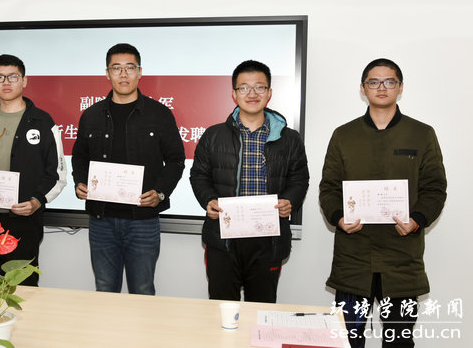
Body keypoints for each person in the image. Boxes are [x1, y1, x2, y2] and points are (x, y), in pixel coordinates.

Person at [319, 58, 447, 348]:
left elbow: (435, 188)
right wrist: (339, 217)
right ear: (362, 88)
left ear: (400, 87)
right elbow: (329, 188)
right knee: (348, 340)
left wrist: (417, 220)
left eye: (389, 81)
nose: (381, 87)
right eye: (373, 82)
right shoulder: (344, 135)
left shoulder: (422, 133)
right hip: (353, 257)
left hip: (401, 256)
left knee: (399, 341)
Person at [190, 60, 309, 303]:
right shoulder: (213, 135)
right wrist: (208, 200)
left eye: (259, 87)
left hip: (268, 240)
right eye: (244, 87)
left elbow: (299, 178)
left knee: (262, 311)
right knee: (222, 310)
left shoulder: (289, 139)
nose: (252, 94)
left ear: (269, 93)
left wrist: (290, 200)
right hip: (223, 239)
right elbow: (199, 175)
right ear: (234, 94)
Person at [71, 43, 185, 295]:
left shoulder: (159, 114)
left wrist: (160, 192)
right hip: (101, 220)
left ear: (140, 72)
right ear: (107, 73)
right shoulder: (91, 115)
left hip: (142, 220)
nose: (123, 74)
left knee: (142, 291)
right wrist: (80, 182)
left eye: (130, 67)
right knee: (105, 289)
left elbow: (176, 160)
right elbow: (79, 156)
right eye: (116, 68)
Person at [0, 54, 67, 286]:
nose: (6, 82)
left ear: (24, 81)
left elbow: (57, 174)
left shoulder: (43, 122)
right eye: (0, 77)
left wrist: (36, 201)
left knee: (24, 286)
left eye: (13, 76)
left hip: (23, 220)